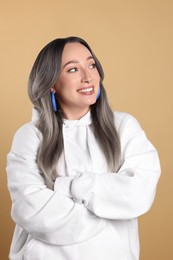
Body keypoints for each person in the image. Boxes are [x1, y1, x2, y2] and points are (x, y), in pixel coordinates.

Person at [7, 36, 161, 260]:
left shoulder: (124, 127)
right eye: (72, 70)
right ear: (51, 83)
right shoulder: (30, 136)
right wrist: (109, 209)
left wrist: (69, 187)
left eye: (91, 65)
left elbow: (139, 193)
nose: (88, 77)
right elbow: (32, 211)